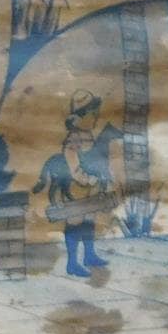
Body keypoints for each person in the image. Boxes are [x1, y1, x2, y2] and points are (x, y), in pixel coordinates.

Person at [32, 91, 123, 278]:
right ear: (79, 117)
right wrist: (87, 179)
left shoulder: (89, 135)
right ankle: (72, 263)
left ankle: (89, 255)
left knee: (89, 220)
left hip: (91, 189)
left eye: (95, 112)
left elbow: (98, 160)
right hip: (75, 189)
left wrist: (104, 178)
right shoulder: (73, 139)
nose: (95, 116)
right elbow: (74, 167)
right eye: (91, 113)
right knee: (75, 222)